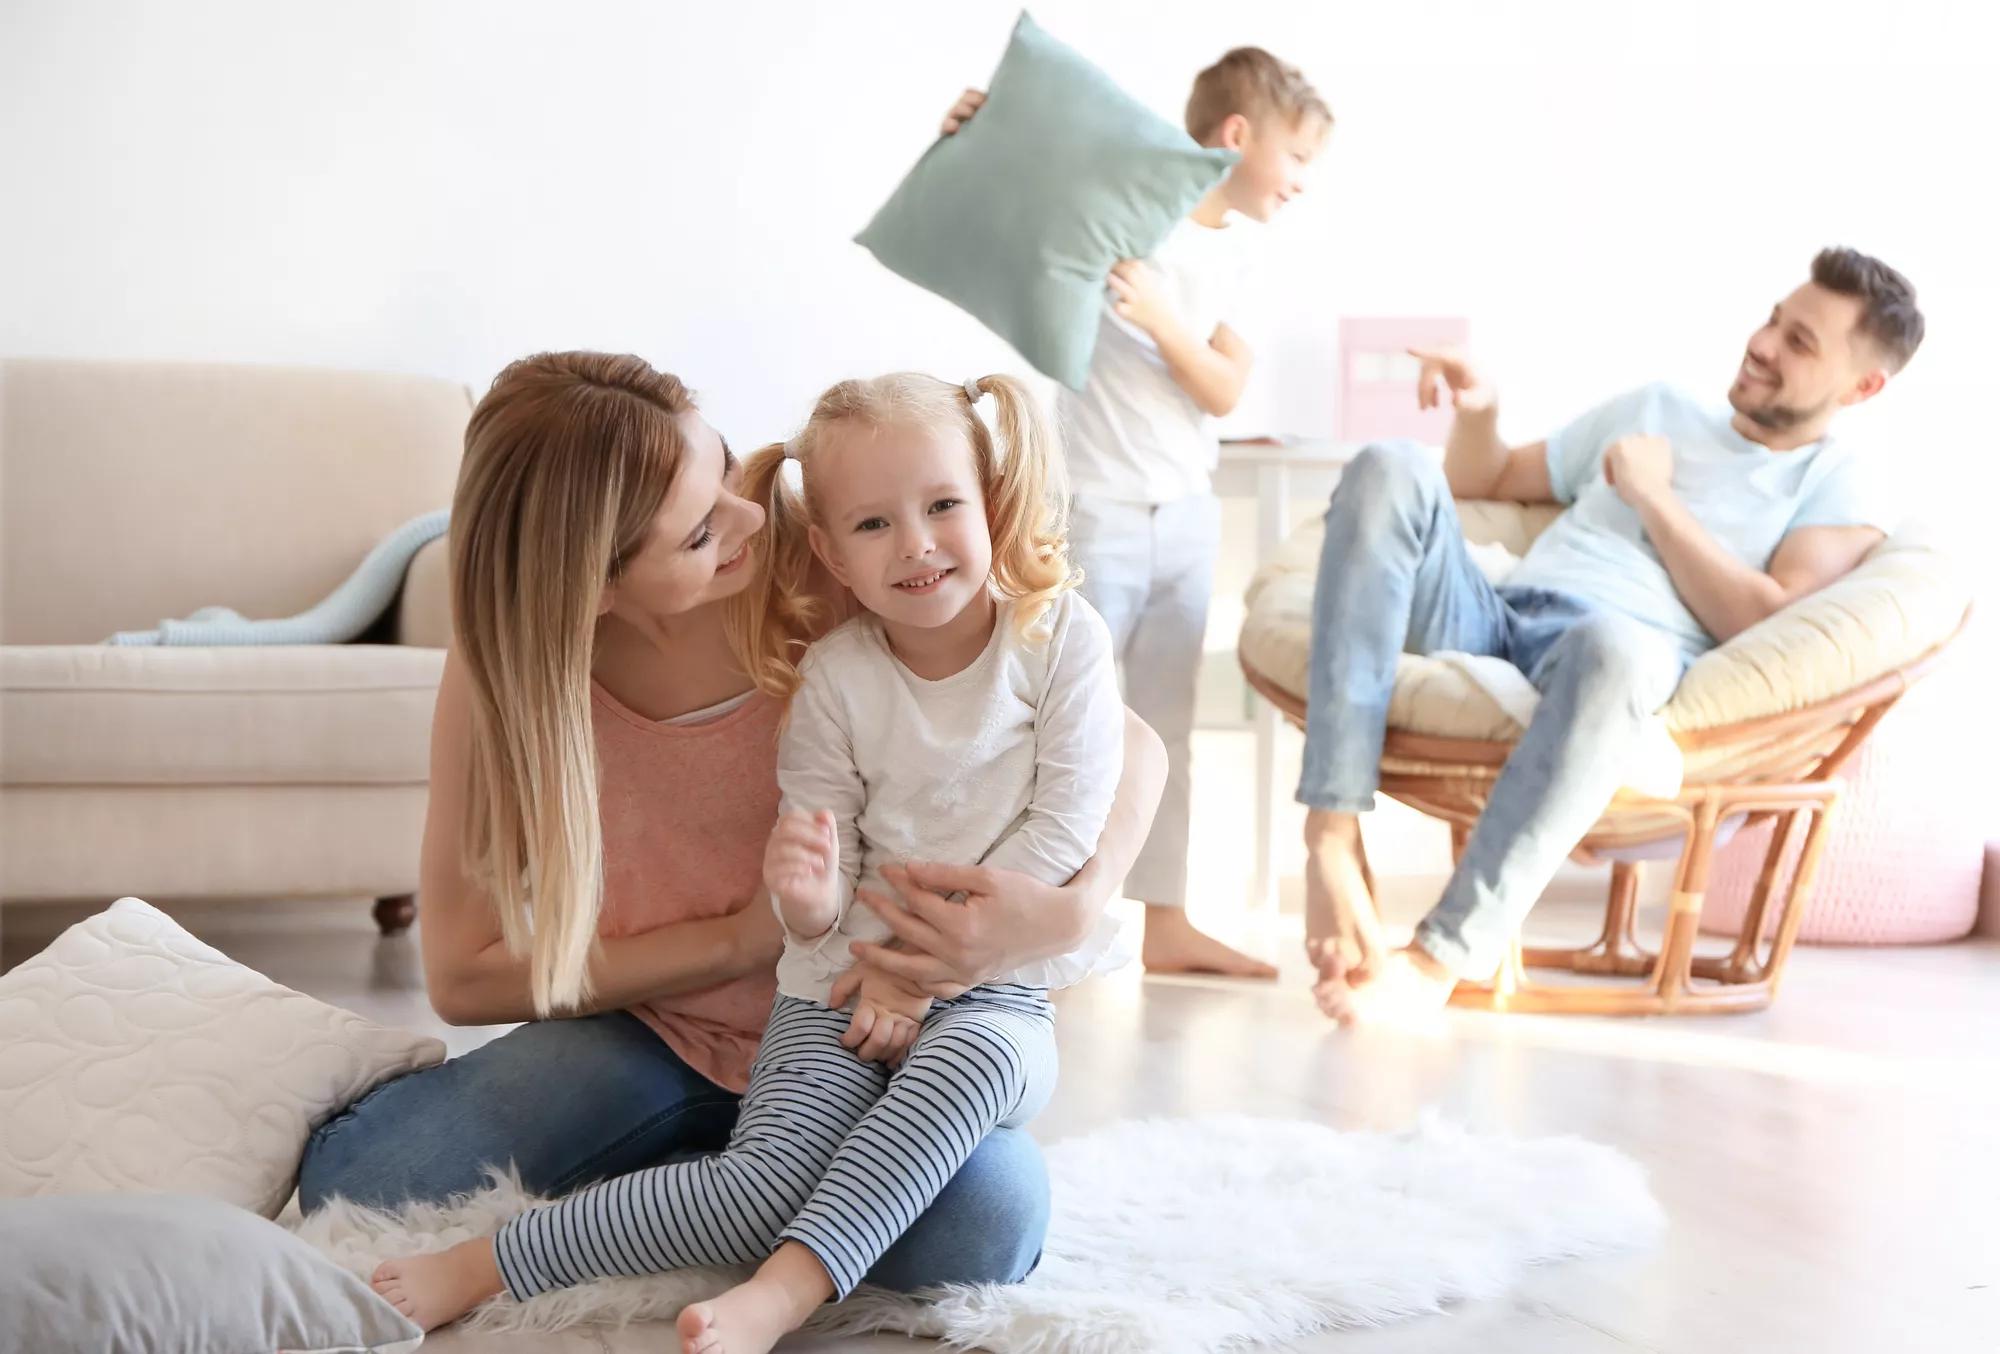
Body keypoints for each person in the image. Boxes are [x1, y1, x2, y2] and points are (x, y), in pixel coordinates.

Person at [296, 353, 1167, 1299]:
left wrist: (1073, 910)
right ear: (594, 589)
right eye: (703, 529)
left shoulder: (838, 552)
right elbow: (463, 974)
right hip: (653, 1040)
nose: (750, 513)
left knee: (980, 1235)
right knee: (367, 1175)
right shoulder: (509, 665)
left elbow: (1129, 746)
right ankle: (732, 1185)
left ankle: (725, 1193)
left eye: (717, 466)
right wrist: (738, 940)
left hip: (872, 1028)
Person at [1298, 247, 1924, 1024]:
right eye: (1774, 320)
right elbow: (1483, 481)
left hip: (1609, 656)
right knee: (1390, 463)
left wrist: (1653, 498)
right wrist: (1482, 410)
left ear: (1862, 386)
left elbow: (1763, 620)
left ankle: (1435, 962)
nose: (1763, 345)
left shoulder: (1837, 483)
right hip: (1496, 610)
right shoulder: (1655, 407)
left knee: (1618, 650)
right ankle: (1331, 831)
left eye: (1801, 343)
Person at [941, 45, 1332, 979]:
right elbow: (1031, 207)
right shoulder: (1127, 220)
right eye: (1300, 159)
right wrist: (979, 135)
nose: (1304, 184)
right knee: (1066, 725)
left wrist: (1160, 317)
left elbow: (1226, 387)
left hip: (1185, 516)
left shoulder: (1241, 259)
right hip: (1099, 515)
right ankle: (1038, 926)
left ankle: (1167, 922)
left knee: (1167, 725)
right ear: (1238, 137)